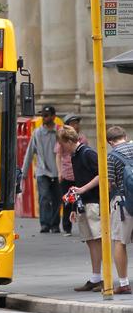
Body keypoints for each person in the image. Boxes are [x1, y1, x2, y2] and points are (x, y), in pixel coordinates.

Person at [57, 125, 103, 292]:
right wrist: (76, 206)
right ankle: (95, 277)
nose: (62, 149)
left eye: (63, 145)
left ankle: (104, 277)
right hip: (84, 203)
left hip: (94, 201)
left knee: (98, 239)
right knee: (90, 240)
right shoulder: (75, 155)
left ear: (70, 141)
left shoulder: (87, 153)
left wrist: (83, 189)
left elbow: (102, 174)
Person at [21, 105, 61, 233]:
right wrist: (24, 172)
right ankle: (44, 224)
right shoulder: (37, 133)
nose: (44, 118)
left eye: (47, 115)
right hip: (42, 171)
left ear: (53, 117)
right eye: (43, 115)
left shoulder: (59, 132)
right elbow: (29, 152)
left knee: (56, 199)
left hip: (57, 172)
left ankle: (55, 225)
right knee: (44, 197)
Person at [106, 126, 133, 294]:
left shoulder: (111, 156)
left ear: (110, 142)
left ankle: (123, 283)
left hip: (123, 203)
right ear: (125, 136)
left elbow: (109, 184)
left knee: (119, 242)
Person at [55, 114, 88, 236]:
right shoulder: (62, 139)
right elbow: (58, 155)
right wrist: (59, 171)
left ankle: (82, 225)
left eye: (77, 123)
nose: (76, 125)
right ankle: (67, 227)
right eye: (73, 123)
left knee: (79, 201)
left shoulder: (82, 139)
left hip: (78, 174)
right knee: (67, 201)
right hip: (67, 173)